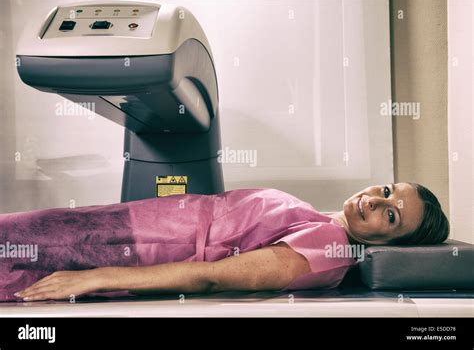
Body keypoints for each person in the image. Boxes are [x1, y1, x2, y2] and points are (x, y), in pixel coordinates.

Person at [2, 182, 448, 302]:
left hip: (131, 246)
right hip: (130, 225)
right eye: (387, 191)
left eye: (390, 216)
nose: (373, 201)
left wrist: (94, 277)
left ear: (391, 243)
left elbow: (213, 279)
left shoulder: (329, 250)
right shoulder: (321, 222)